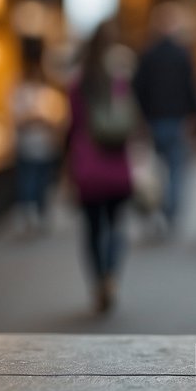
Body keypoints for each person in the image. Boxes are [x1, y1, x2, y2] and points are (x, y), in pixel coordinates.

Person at [65, 21, 136, 313]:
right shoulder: (119, 79)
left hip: (89, 164)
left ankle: (98, 282)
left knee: (93, 228)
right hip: (116, 164)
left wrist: (66, 163)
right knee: (117, 225)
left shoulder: (78, 83)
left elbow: (72, 126)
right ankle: (111, 276)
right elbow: (131, 121)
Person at [132, 3, 196, 234]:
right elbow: (191, 89)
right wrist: (193, 116)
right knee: (176, 168)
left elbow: (138, 88)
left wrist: (142, 116)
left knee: (156, 168)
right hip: (177, 119)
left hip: (154, 120)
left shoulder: (148, 55)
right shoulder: (182, 54)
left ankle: (158, 207)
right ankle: (171, 212)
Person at [9, 38, 67, 233]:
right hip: (28, 144)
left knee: (42, 181)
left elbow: (59, 118)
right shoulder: (20, 90)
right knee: (28, 180)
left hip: (46, 144)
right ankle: (29, 212)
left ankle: (40, 213)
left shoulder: (49, 91)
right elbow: (16, 118)